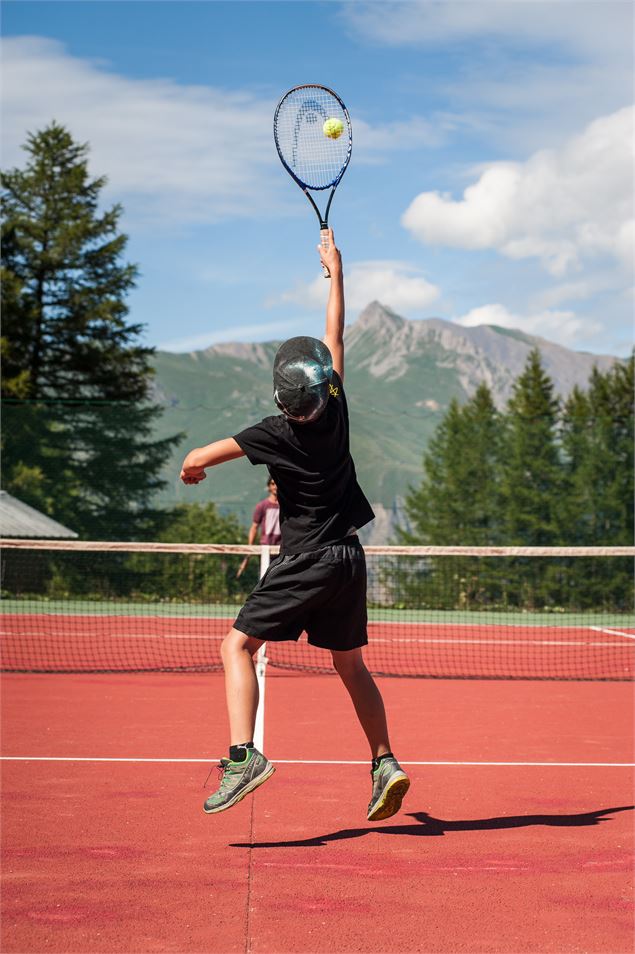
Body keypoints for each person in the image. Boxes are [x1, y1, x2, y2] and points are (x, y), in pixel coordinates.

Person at [180, 230, 409, 822]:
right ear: (321, 385)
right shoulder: (335, 401)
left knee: (236, 646)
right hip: (349, 558)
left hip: (306, 559)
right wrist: (336, 273)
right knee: (351, 665)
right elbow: (334, 335)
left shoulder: (272, 432)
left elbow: (199, 457)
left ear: (283, 398)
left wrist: (190, 470)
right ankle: (385, 760)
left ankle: (242, 756)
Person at [236, 477, 281, 579]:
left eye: (277, 483)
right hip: (265, 548)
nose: (275, 487)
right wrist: (249, 549)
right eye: (273, 484)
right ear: (269, 487)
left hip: (281, 549)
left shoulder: (285, 506)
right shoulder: (262, 506)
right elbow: (254, 527)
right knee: (264, 578)